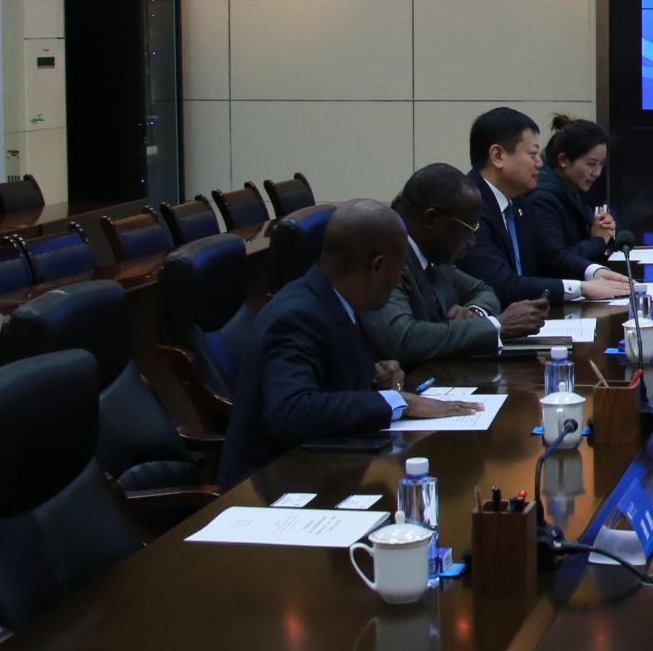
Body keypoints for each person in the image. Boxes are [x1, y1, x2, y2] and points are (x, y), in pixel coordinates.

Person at [218, 200, 481, 486]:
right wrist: (397, 401)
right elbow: (291, 410)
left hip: (324, 462)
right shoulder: (297, 316)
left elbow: (329, 378)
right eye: (399, 269)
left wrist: (375, 379)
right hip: (271, 484)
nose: (398, 282)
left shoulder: (332, 299)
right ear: (378, 266)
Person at [362, 164, 551, 368]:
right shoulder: (387, 258)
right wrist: (497, 325)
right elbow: (404, 339)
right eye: (468, 229)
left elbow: (483, 290)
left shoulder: (435, 256)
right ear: (431, 219)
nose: (472, 241)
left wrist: (476, 313)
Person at [464, 106, 630, 307]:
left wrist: (595, 272)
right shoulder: (469, 207)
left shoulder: (517, 201)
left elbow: (551, 256)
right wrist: (581, 288)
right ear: (498, 156)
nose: (540, 163)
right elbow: (502, 284)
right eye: (532, 154)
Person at [522, 115, 618, 282]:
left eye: (601, 164)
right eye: (591, 164)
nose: (597, 173)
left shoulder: (573, 188)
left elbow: (606, 231)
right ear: (564, 160)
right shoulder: (542, 199)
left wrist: (607, 228)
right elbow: (555, 261)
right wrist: (598, 240)